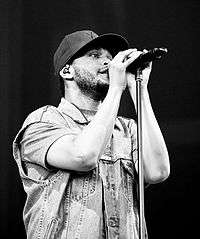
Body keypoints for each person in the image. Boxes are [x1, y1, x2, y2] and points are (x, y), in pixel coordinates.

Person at [13, 30, 170, 239]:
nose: (107, 62)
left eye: (109, 57)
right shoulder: (43, 121)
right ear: (67, 71)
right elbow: (83, 156)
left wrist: (139, 88)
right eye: (95, 55)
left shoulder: (127, 129)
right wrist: (116, 87)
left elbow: (158, 172)